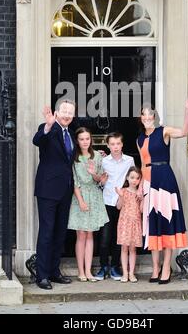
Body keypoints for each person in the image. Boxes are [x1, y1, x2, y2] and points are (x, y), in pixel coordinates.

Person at [137, 96, 188, 284]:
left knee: (166, 221)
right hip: (148, 183)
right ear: (141, 118)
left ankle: (166, 267)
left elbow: (184, 132)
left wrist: (187, 111)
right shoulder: (139, 139)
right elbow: (142, 164)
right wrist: (141, 185)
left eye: (150, 115)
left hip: (164, 179)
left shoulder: (163, 131)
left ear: (154, 117)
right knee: (153, 225)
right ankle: (155, 267)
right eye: (144, 115)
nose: (147, 118)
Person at [32, 99, 76, 290]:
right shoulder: (48, 128)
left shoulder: (71, 133)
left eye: (70, 112)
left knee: (60, 233)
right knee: (47, 232)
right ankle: (41, 275)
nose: (67, 115)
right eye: (64, 111)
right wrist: (48, 126)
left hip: (65, 190)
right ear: (57, 112)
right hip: (48, 190)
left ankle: (54, 271)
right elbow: (37, 140)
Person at [68, 127, 109, 282]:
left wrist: (93, 173)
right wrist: (81, 201)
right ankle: (81, 271)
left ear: (90, 139)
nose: (85, 142)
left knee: (90, 234)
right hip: (80, 196)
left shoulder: (97, 156)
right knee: (81, 234)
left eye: (87, 139)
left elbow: (100, 180)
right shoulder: (74, 158)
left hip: (94, 195)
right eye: (81, 139)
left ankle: (88, 270)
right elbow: (75, 182)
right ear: (77, 141)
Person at [95, 132, 135, 281]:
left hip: (123, 203)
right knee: (105, 237)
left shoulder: (129, 161)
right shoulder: (104, 161)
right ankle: (103, 266)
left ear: (122, 144)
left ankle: (115, 267)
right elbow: (99, 182)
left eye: (118, 144)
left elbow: (132, 179)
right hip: (106, 201)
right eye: (112, 144)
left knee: (120, 237)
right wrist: (101, 182)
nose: (115, 147)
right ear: (108, 145)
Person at [115, 166, 143, 283]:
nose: (134, 180)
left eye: (137, 178)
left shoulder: (139, 194)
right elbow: (118, 206)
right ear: (127, 178)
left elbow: (141, 210)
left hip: (135, 223)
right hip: (124, 223)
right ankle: (125, 273)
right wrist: (121, 196)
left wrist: (142, 199)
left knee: (133, 249)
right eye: (132, 177)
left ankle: (131, 273)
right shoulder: (124, 191)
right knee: (124, 248)